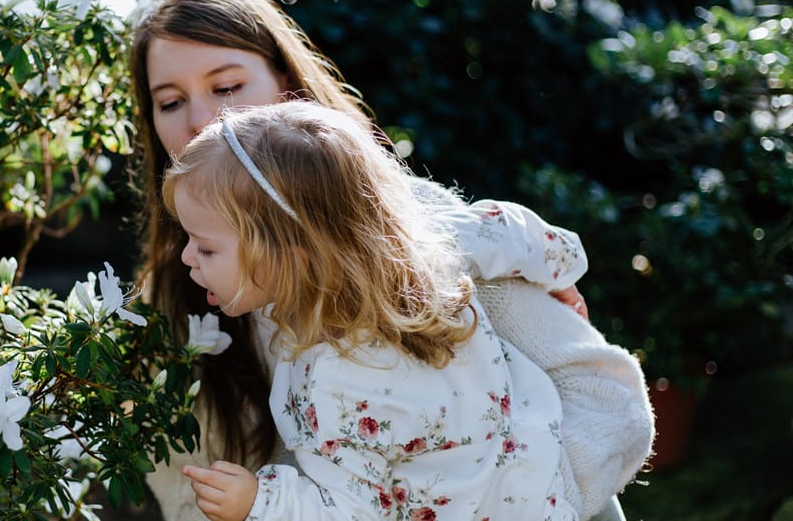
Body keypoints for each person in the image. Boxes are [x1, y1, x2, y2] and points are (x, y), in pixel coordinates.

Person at [128, 0, 652, 520]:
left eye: (228, 87)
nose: (203, 120)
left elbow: (606, 401)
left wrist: (535, 503)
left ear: (286, 83)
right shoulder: (170, 301)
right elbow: (188, 497)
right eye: (170, 101)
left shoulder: (415, 239)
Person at [165, 101, 578, 519]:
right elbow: (507, 228)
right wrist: (562, 270)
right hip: (540, 480)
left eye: (206, 247)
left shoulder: (332, 378)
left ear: (292, 258)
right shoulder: (429, 243)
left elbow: (355, 511)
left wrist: (260, 501)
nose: (187, 258)